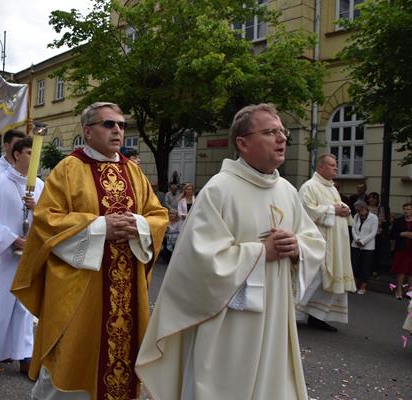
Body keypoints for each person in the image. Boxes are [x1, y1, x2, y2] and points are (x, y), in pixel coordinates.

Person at [135, 103, 325, 400]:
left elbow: (314, 241)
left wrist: (298, 246)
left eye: (282, 132)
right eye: (270, 132)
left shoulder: (287, 190)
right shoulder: (219, 190)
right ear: (243, 142)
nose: (281, 138)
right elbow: (198, 262)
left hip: (274, 316)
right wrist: (261, 252)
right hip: (229, 323)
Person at [11, 102, 168, 400]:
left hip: (126, 290)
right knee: (72, 355)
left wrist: (139, 226)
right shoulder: (68, 169)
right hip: (80, 288)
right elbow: (47, 221)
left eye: (121, 125)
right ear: (88, 131)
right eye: (109, 124)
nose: (118, 130)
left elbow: (157, 215)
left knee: (121, 357)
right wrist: (99, 228)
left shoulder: (133, 171)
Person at [0, 137, 43, 368]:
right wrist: (12, 239)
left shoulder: (41, 185)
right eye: (29, 153)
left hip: (29, 255)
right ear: (16, 155)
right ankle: (0, 349)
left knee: (24, 307)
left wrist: (38, 209)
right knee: (1, 305)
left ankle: (25, 355)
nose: (34, 158)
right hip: (3, 255)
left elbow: (50, 218)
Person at [297, 153, 356, 332]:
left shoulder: (331, 188)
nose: (336, 168)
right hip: (319, 244)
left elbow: (338, 210)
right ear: (321, 167)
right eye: (332, 165)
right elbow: (305, 211)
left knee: (327, 282)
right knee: (314, 280)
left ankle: (317, 316)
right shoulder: (309, 187)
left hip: (336, 245)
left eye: (336, 165)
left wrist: (345, 211)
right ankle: (290, 313)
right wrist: (333, 210)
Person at [350, 201, 378, 295]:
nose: (359, 211)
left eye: (360, 209)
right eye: (357, 210)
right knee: (354, 265)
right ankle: (353, 285)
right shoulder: (356, 216)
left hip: (368, 246)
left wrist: (362, 242)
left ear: (365, 208)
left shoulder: (373, 217)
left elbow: (373, 232)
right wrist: (357, 239)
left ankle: (363, 286)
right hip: (355, 244)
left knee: (365, 266)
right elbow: (353, 229)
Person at [390, 203, 412, 300]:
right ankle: (398, 290)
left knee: (411, 272)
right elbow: (392, 235)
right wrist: (401, 234)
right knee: (401, 271)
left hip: (411, 250)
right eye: (404, 209)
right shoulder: (398, 221)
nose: (406, 211)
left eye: (408, 209)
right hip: (401, 250)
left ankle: (409, 291)